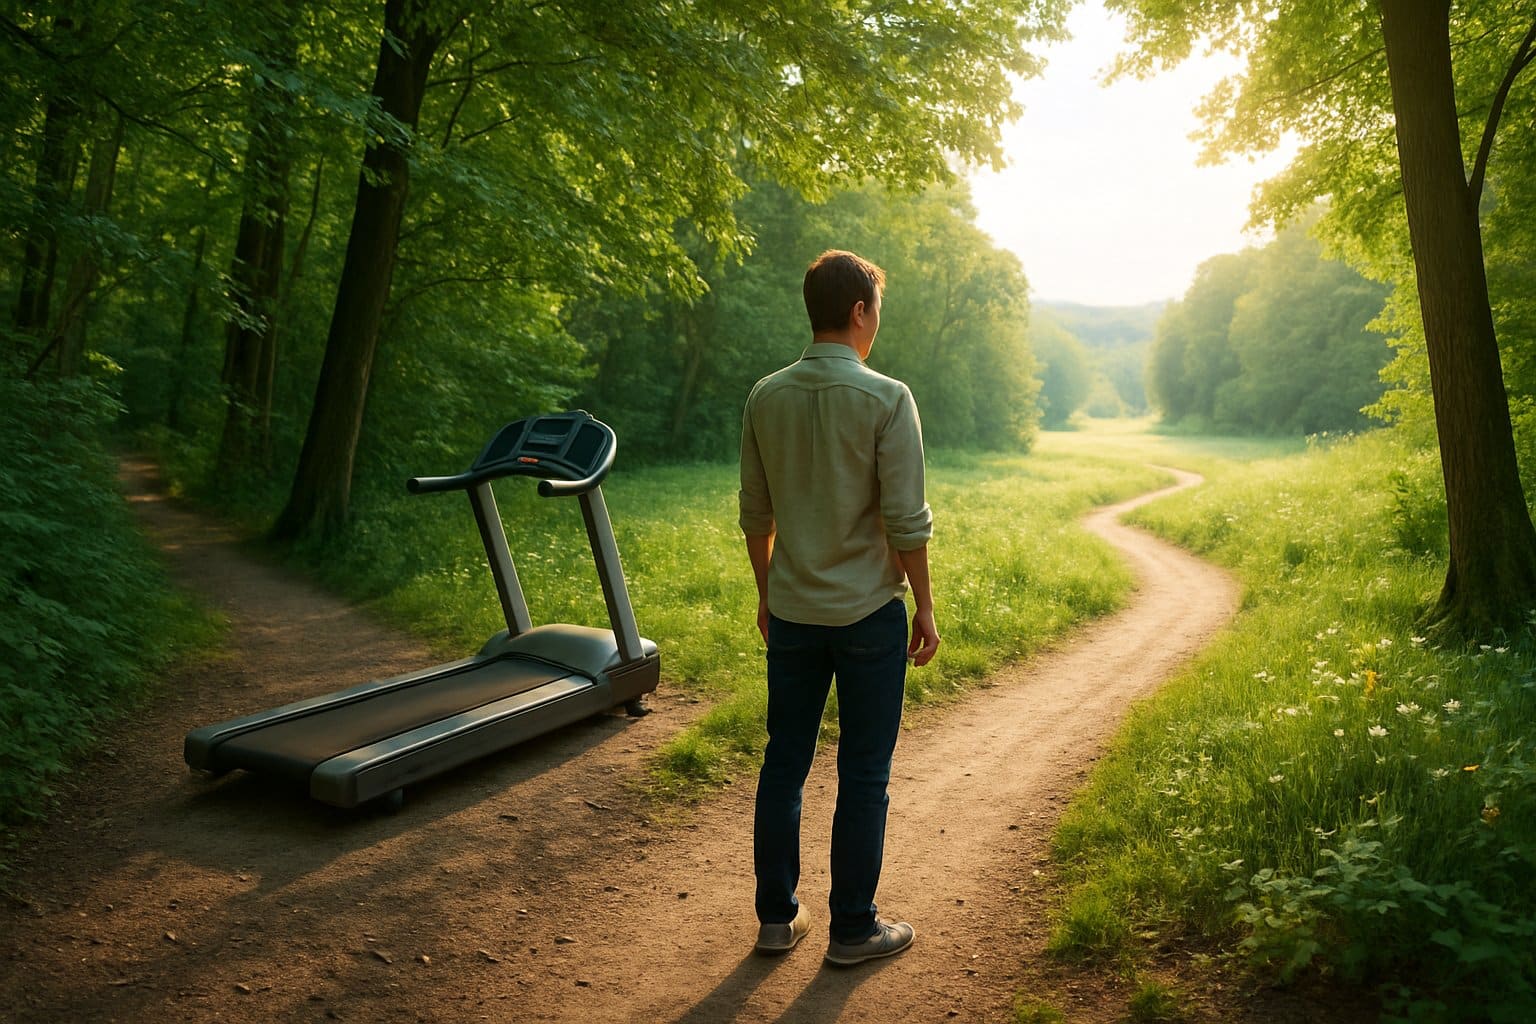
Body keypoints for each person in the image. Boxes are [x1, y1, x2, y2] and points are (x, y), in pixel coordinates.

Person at [738, 249, 940, 966]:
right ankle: (853, 931)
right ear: (858, 311)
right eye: (876, 309)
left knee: (783, 763)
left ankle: (775, 920)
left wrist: (769, 594)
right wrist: (925, 606)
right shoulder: (888, 398)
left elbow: (755, 515)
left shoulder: (766, 396)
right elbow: (906, 520)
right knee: (863, 774)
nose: (877, 322)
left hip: (792, 613)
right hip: (866, 617)